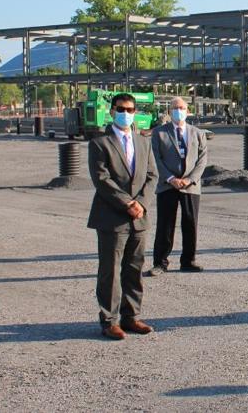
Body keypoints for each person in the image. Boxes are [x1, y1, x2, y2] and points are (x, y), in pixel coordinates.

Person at [87, 93, 158, 340]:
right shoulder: (100, 143)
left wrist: (141, 204)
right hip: (112, 217)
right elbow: (101, 179)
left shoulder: (143, 142)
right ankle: (109, 321)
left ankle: (131, 316)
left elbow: (152, 176)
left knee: (134, 268)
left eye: (129, 110)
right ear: (112, 111)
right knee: (110, 270)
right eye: (120, 109)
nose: (125, 114)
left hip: (139, 217)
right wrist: (127, 203)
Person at [149, 97, 209, 275]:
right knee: (165, 224)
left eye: (182, 108)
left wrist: (190, 179)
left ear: (187, 110)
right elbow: (156, 158)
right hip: (167, 185)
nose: (178, 111)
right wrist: (170, 178)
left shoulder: (197, 133)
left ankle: (188, 261)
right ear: (169, 111)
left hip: (190, 186)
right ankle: (160, 263)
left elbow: (202, 159)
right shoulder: (159, 133)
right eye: (175, 108)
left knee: (190, 223)